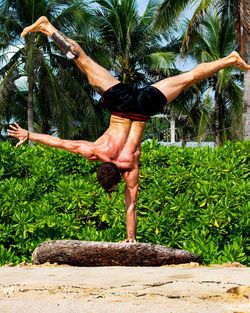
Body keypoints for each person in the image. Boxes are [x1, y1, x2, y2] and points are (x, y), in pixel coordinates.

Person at [8, 17, 250, 242]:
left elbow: (131, 205)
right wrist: (29, 134)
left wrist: (130, 238)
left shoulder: (131, 165)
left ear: (119, 177)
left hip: (144, 108)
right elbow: (60, 142)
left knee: (189, 78)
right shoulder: (96, 151)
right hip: (121, 104)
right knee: (83, 61)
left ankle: (229, 60)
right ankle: (48, 28)